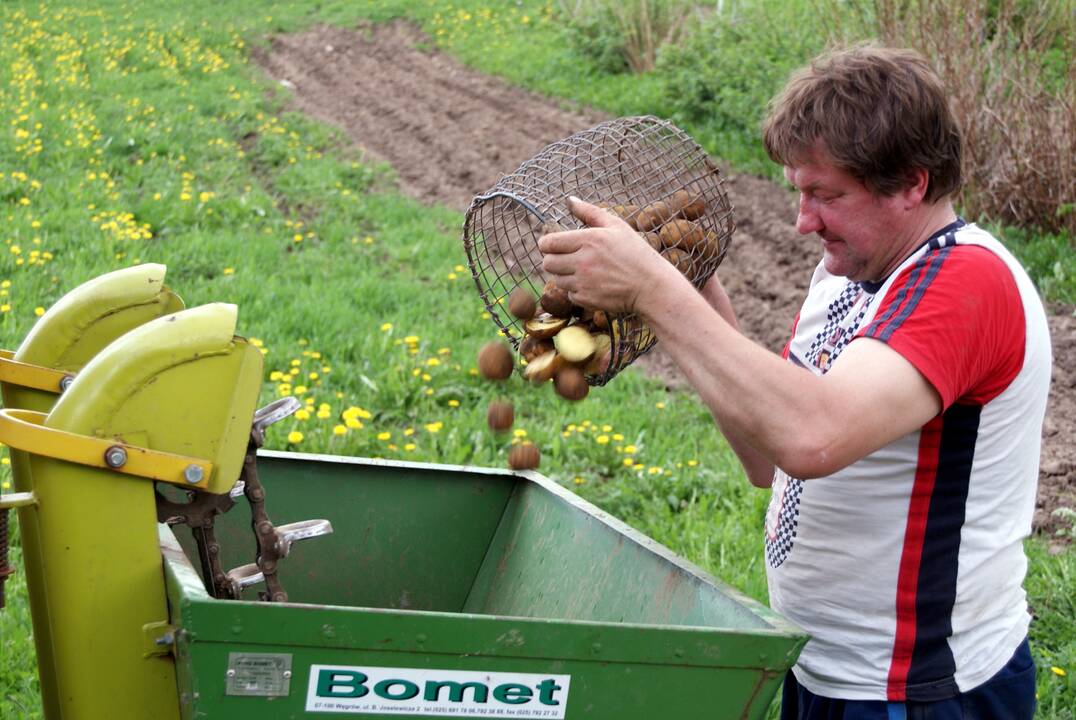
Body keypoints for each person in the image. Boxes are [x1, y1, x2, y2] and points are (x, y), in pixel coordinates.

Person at [538, 44, 1051, 719]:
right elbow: (770, 458)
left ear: (912, 184)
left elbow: (814, 437)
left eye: (826, 195)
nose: (803, 222)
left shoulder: (967, 283)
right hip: (823, 671)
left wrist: (655, 290)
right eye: (798, 192)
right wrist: (686, 294)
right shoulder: (845, 279)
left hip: (921, 690)